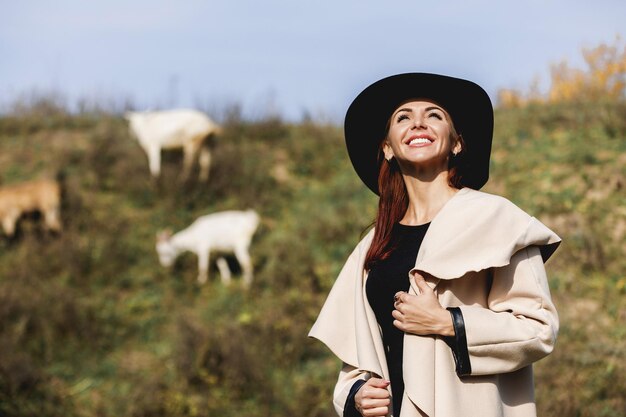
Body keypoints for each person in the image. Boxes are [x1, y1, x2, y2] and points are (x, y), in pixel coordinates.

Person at [308, 73, 561, 417]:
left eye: (434, 115)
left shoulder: (497, 220)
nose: (418, 123)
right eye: (403, 117)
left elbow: (538, 329)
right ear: (387, 148)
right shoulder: (372, 247)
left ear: (457, 142)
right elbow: (356, 362)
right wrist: (356, 395)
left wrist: (448, 322)